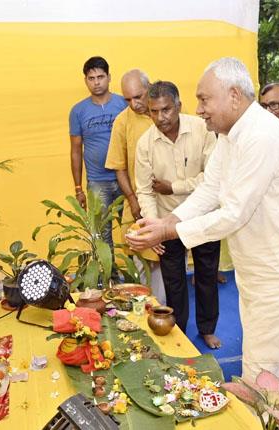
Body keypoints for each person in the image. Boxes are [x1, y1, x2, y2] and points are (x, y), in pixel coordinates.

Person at [127, 58, 279, 388]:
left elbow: (233, 213)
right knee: (266, 351)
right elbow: (210, 189)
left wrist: (168, 230)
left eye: (204, 99)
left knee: (263, 356)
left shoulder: (260, 136)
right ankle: (271, 404)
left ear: (233, 96)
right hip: (262, 259)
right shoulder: (231, 134)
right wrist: (170, 219)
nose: (199, 109)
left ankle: (267, 411)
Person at [134, 81, 221, 349]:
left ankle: (207, 329)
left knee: (206, 275)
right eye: (154, 111)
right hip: (166, 221)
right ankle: (179, 332)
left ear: (179, 106)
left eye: (167, 110)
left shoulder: (203, 129)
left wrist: (176, 186)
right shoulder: (145, 143)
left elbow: (213, 179)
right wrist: (153, 227)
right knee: (174, 283)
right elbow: (145, 190)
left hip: (203, 216)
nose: (161, 117)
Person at [104, 69, 166, 303]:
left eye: (138, 96)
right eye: (128, 99)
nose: (134, 103)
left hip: (172, 200)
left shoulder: (166, 111)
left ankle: (165, 311)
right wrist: (131, 198)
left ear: (149, 87)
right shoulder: (122, 121)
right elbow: (119, 166)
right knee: (143, 259)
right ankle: (148, 308)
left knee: (169, 261)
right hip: (140, 202)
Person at [69, 56, 127, 268]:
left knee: (132, 228)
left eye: (100, 76)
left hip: (126, 179)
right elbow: (76, 150)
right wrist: (78, 188)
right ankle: (109, 279)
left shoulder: (124, 103)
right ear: (86, 80)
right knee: (102, 236)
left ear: (109, 77)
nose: (97, 82)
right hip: (97, 182)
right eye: (91, 78)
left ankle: (135, 280)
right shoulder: (78, 111)